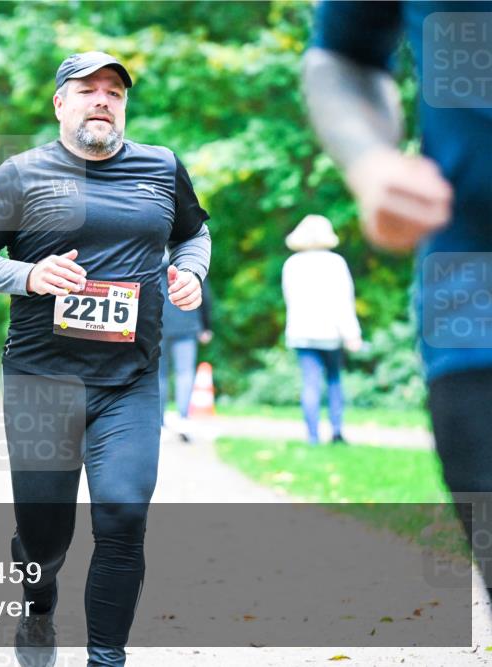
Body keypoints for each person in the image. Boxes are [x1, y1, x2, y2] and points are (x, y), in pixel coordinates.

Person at [0, 51, 211, 667]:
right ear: (60, 103)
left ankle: (105, 657)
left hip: (130, 381)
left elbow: (193, 233)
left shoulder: (161, 167)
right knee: (45, 535)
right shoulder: (21, 174)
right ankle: (38, 606)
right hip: (42, 380)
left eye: (114, 92)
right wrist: (28, 275)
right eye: (88, 89)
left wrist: (191, 271)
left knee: (122, 514)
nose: (102, 100)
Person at [302, 0, 492, 595]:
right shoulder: (321, 265)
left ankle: (326, 429)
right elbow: (344, 53)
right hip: (476, 317)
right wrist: (370, 162)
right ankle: (324, 430)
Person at [281, 214, 362, 445]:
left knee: (310, 383)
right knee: (334, 380)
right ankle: (336, 431)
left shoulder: (292, 264)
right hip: (330, 334)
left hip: (301, 333)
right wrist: (352, 333)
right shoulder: (335, 263)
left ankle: (312, 436)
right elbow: (344, 301)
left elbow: (289, 299)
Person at [158, 249, 213, 443]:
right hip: (187, 324)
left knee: (159, 375)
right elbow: (205, 296)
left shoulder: (150, 265)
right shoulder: (190, 264)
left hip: (157, 326)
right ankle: (183, 419)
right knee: (185, 373)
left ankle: (160, 423)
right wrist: (206, 326)